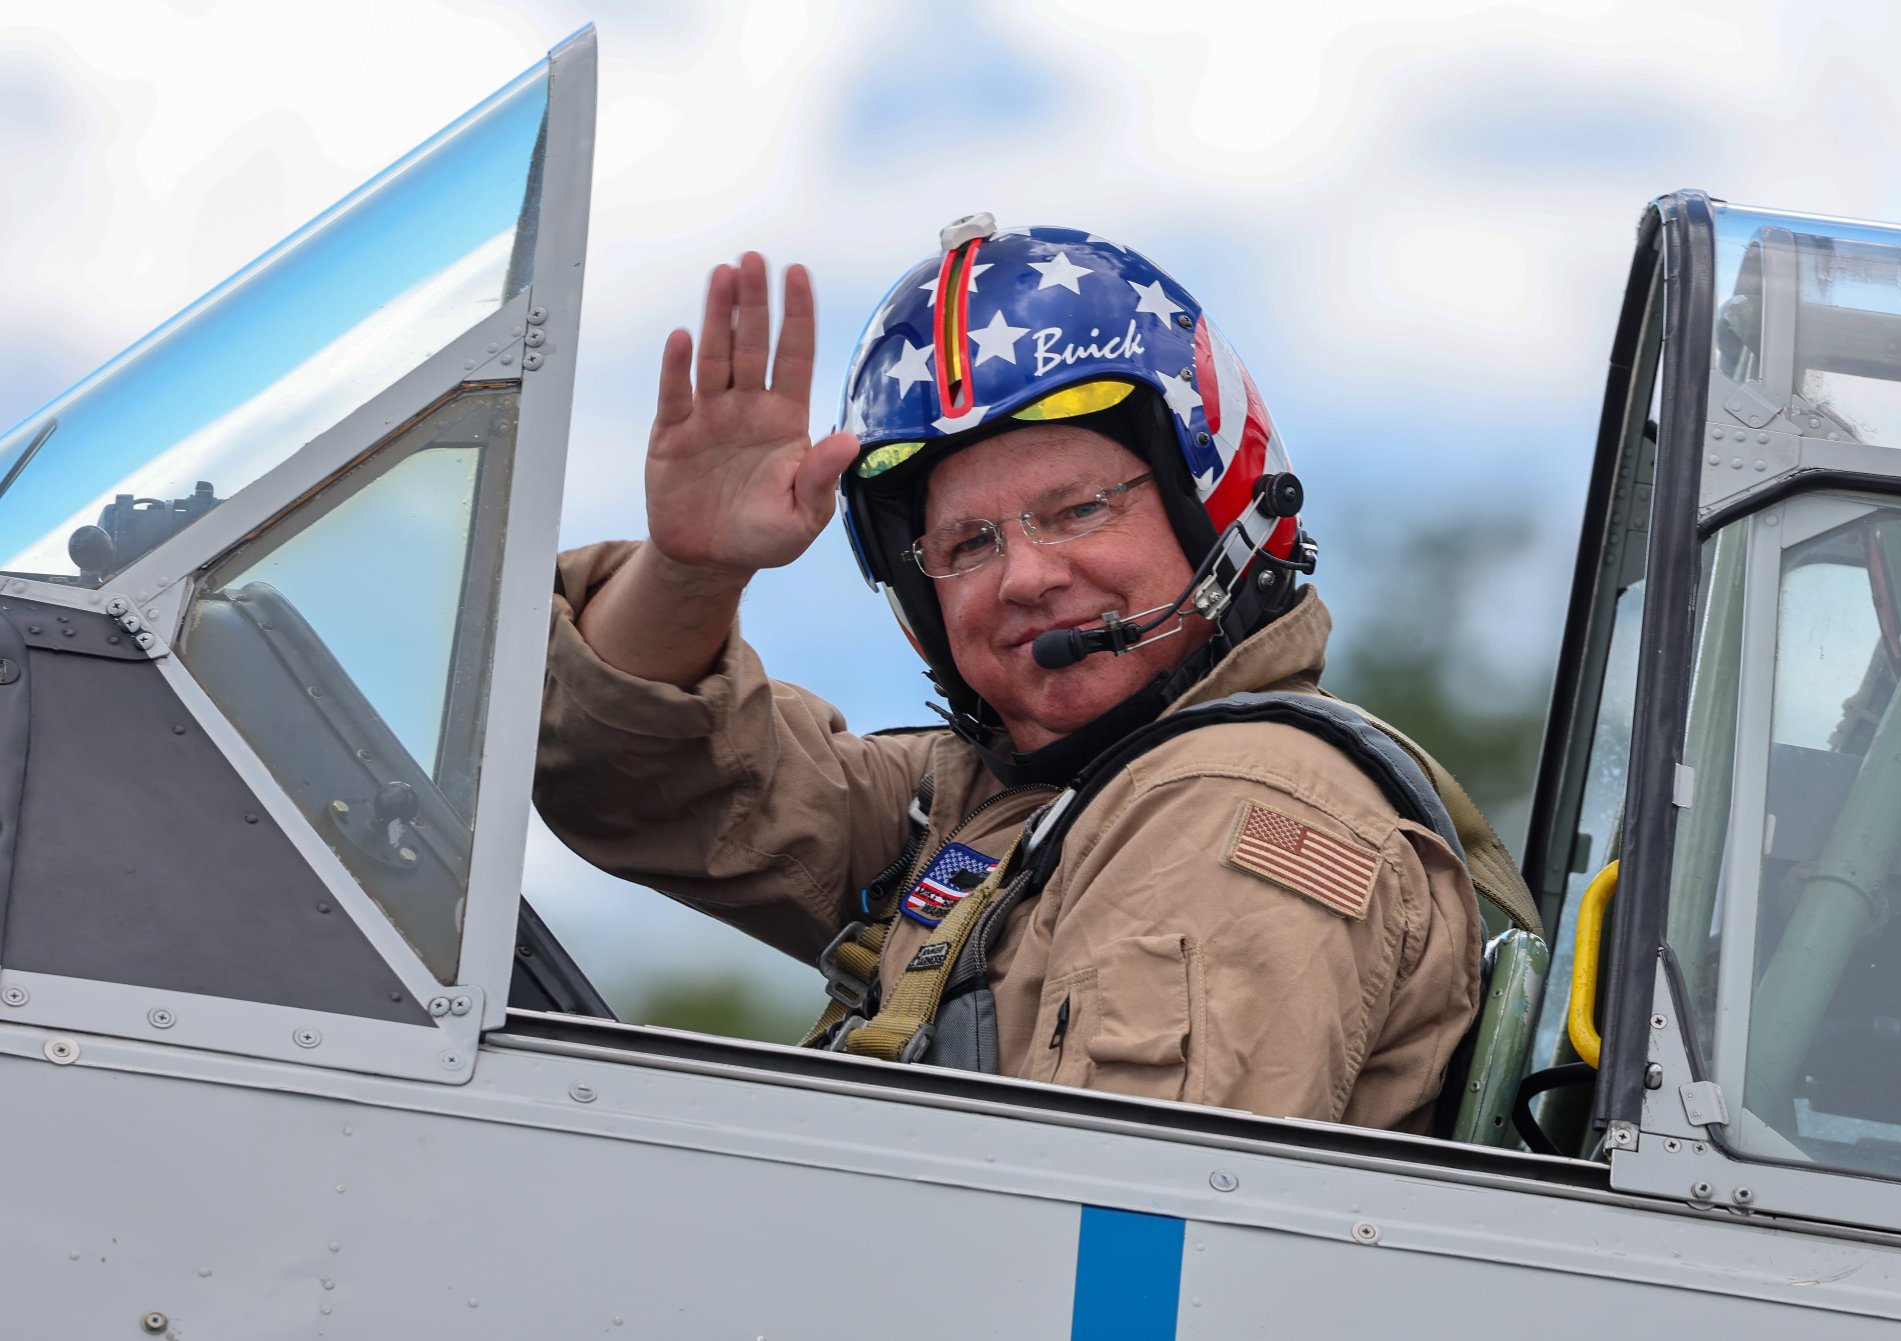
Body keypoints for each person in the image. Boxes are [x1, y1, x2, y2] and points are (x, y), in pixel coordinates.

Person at [535, 217, 1488, 1132]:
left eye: (1078, 510)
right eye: (969, 542)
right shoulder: (996, 803)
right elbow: (631, 776)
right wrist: (694, 571)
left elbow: (1116, 1240)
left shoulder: (1229, 806)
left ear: (1213, 509)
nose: (1026, 576)